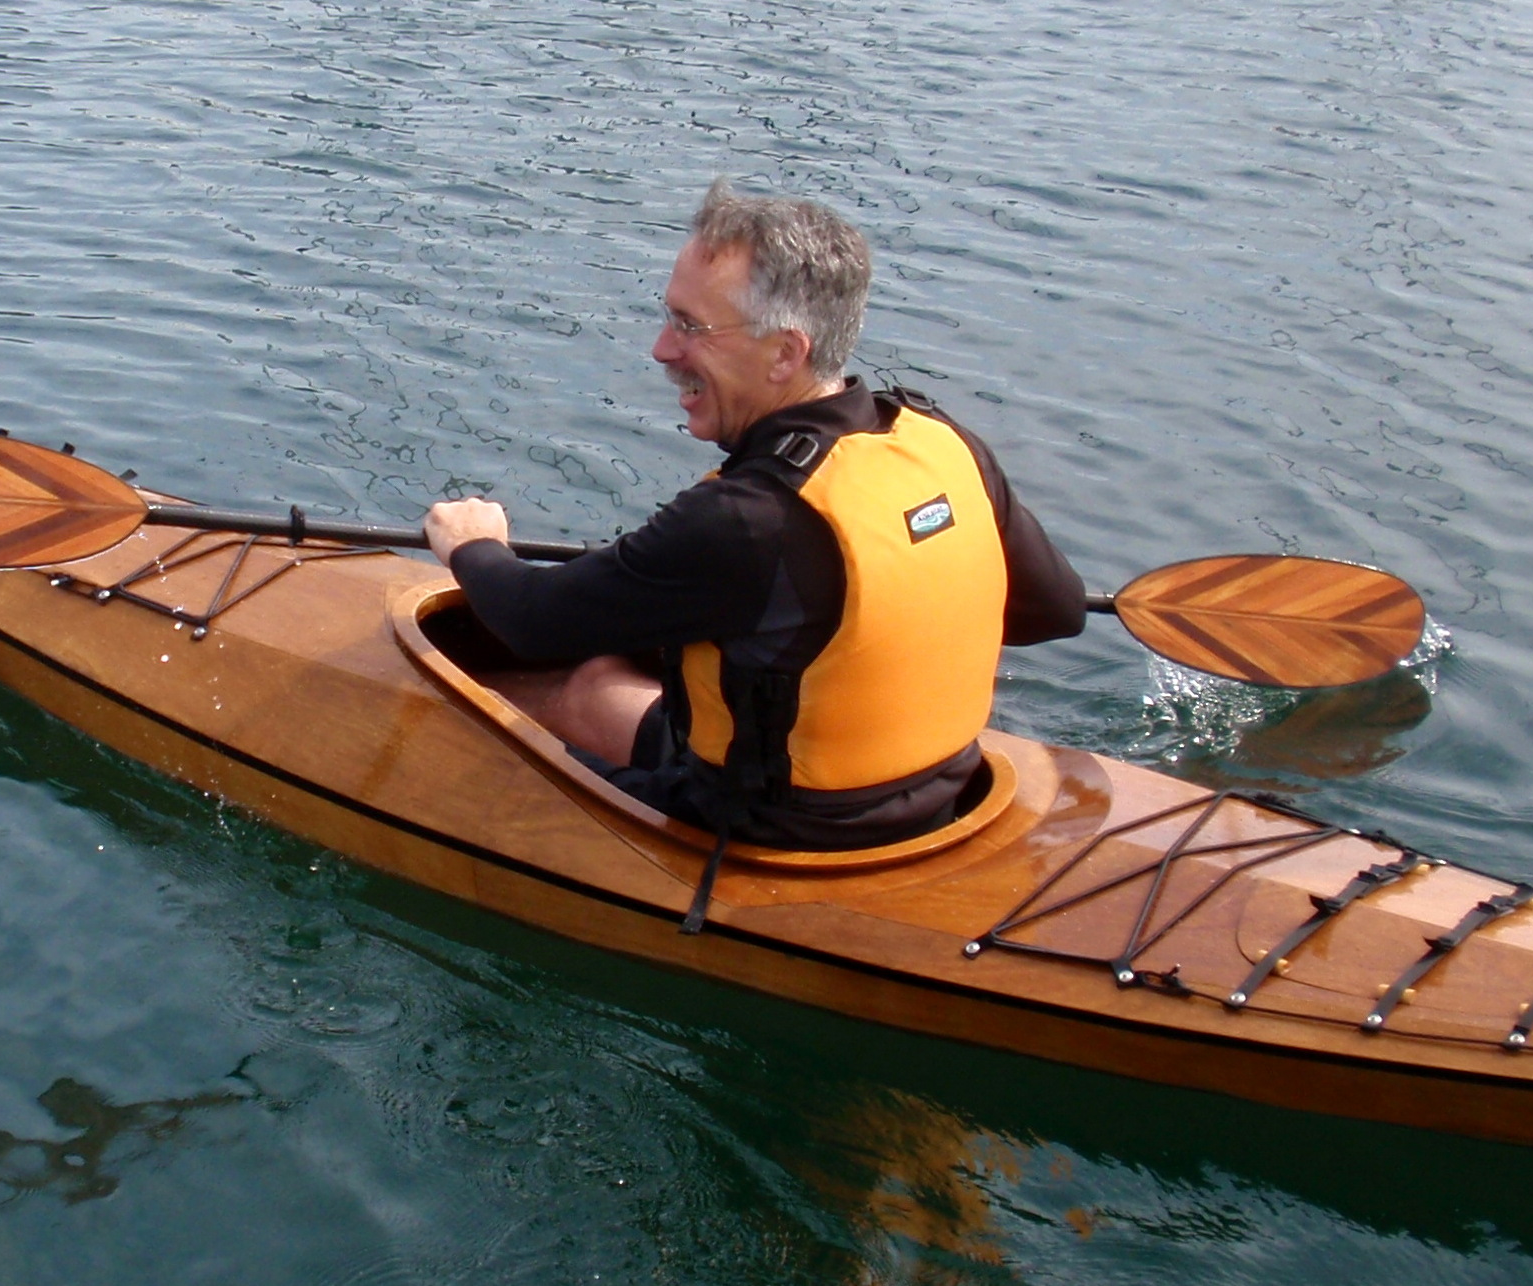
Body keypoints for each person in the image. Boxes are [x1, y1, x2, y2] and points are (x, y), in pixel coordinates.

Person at [421, 181, 1087, 854]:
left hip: (771, 835)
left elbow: (533, 620)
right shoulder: (944, 444)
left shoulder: (746, 519)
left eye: (690, 326)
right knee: (591, 686)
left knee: (453, 730)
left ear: (785, 353)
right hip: (941, 798)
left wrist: (474, 547)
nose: (661, 348)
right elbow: (1053, 611)